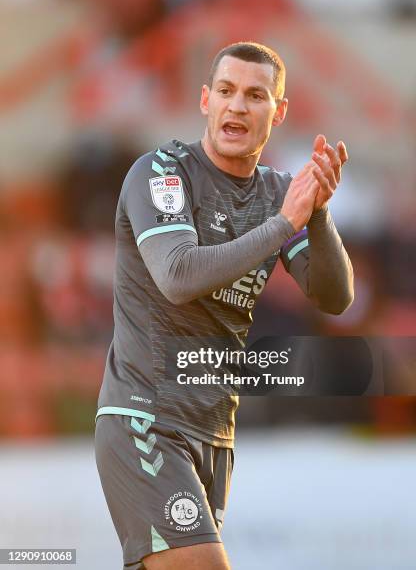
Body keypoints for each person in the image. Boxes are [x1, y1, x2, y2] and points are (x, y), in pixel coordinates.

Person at [95, 41, 354, 570]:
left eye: (255, 95)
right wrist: (285, 223)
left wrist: (319, 215)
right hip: (146, 420)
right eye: (227, 91)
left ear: (278, 112)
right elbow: (178, 275)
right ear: (205, 100)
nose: (238, 105)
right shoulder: (161, 172)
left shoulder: (279, 190)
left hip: (214, 430)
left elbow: (334, 297)